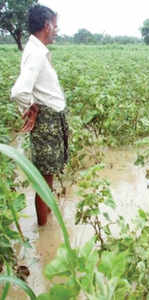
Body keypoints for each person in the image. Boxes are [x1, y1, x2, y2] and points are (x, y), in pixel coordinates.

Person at [11, 5, 68, 226]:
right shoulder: (35, 53)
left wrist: (33, 106)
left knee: (48, 174)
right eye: (54, 24)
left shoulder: (38, 51)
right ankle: (44, 232)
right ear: (46, 25)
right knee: (44, 178)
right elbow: (19, 91)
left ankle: (48, 221)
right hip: (47, 123)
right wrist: (31, 108)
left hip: (51, 121)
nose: (56, 28)